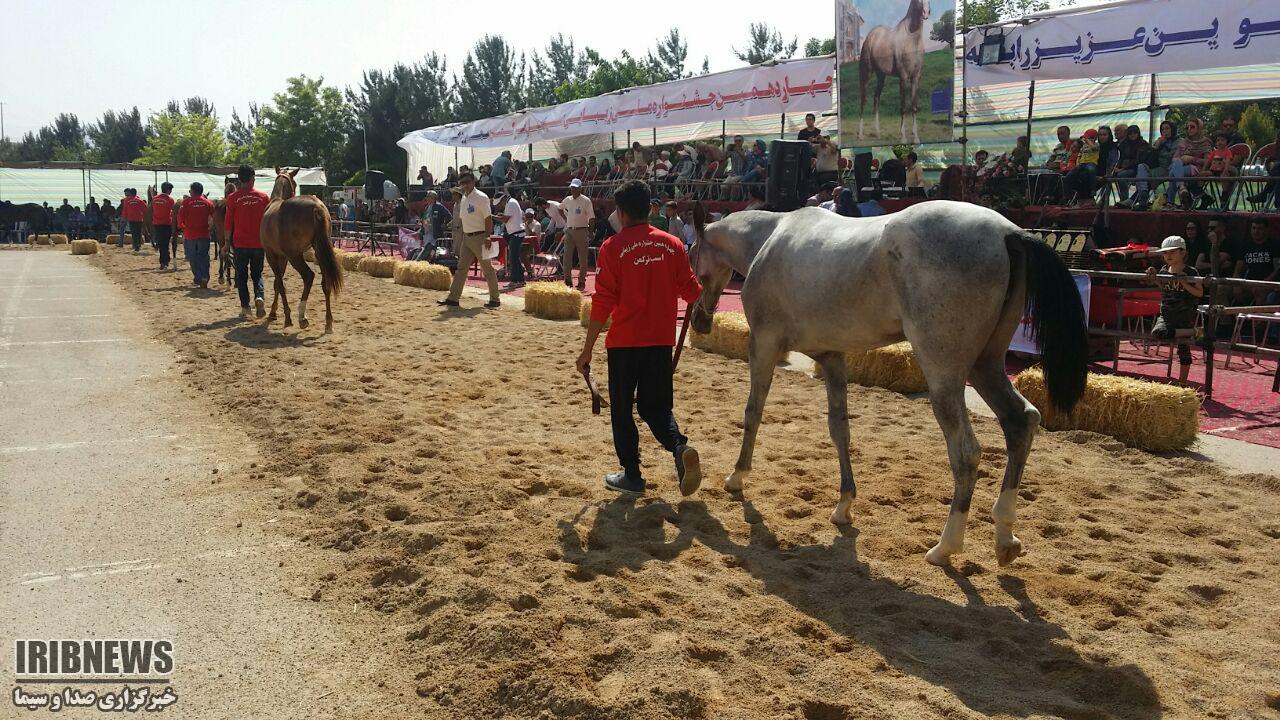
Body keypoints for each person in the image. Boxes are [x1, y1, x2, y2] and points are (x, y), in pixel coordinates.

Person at [576, 179, 703, 496]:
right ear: (650, 208)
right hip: (661, 340)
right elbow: (693, 293)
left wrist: (587, 349)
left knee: (622, 409)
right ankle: (678, 447)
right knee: (656, 407)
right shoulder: (672, 245)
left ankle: (632, 475)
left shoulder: (612, 247)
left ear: (620, 212)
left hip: (625, 342)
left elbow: (603, 301)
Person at [1145, 236, 1204, 382]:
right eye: (1165, 253)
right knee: (1158, 333)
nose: (1168, 256)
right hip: (1166, 313)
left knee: (1183, 349)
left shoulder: (1191, 271)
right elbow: (1164, 288)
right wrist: (1155, 279)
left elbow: (1200, 292)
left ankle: (1182, 382)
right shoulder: (1164, 270)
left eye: (1172, 252)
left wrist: (1184, 283)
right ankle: (1196, 331)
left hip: (1185, 314)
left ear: (1182, 253)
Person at [439, 172, 500, 309]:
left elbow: (488, 218)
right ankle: (453, 298)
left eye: (467, 181)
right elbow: (463, 219)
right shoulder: (464, 198)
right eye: (462, 182)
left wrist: (487, 236)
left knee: (487, 269)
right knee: (461, 268)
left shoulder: (481, 197)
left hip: (480, 237)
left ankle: (495, 299)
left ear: (473, 181)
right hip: (467, 237)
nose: (465, 185)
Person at [223, 165, 271, 320]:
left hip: (240, 244)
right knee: (257, 274)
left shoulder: (232, 198)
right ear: (252, 178)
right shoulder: (263, 197)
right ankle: (259, 297)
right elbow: (268, 222)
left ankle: (245, 307)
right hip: (259, 243)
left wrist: (226, 242)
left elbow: (228, 223)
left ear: (239, 179)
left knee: (241, 276)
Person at [1167, 116, 1211, 209]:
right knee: (1175, 167)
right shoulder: (1184, 142)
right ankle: (1182, 188)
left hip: (1197, 168)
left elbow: (1208, 161)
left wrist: (1192, 159)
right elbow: (1175, 158)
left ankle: (1170, 201)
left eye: (1192, 127)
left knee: (1173, 173)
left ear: (1199, 128)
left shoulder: (1205, 143)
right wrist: (1182, 157)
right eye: (1187, 128)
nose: (1189, 129)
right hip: (1182, 167)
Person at [1233, 216, 1280, 305]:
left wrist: (1263, 283)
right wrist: (1236, 283)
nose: (1256, 231)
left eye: (1260, 228)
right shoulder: (1245, 246)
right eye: (1253, 228)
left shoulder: (1275, 245)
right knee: (1222, 289)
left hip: (1268, 283)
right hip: (1248, 283)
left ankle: (1258, 318)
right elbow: (1237, 270)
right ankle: (1226, 318)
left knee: (1260, 293)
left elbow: (1277, 270)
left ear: (1266, 230)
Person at [178, 182, 216, 288]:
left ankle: (198, 278)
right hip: (204, 234)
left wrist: (182, 227)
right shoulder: (208, 203)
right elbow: (214, 217)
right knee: (203, 256)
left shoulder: (186, 202)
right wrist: (210, 228)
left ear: (192, 191)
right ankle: (205, 277)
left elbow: (180, 218)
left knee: (192, 257)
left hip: (190, 234)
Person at [559, 178, 594, 290]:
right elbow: (560, 208)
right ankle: (567, 279)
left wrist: (591, 231)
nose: (573, 190)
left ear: (580, 188)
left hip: (582, 230)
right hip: (569, 230)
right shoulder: (567, 199)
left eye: (575, 188)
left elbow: (592, 217)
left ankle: (581, 280)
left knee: (582, 257)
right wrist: (566, 218)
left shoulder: (586, 201)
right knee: (567, 256)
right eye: (572, 188)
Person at [1114, 125, 1153, 209]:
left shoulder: (1143, 144)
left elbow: (1139, 161)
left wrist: (1123, 168)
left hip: (1138, 168)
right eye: (1130, 132)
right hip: (1126, 167)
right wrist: (1117, 167)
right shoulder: (1125, 145)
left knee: (1121, 175)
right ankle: (1124, 200)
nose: (1132, 134)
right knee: (1115, 174)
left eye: (1135, 132)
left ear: (1138, 133)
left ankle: (1125, 200)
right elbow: (1121, 158)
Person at [495, 192, 525, 288]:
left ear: (503, 199)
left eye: (500, 203)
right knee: (514, 258)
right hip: (515, 233)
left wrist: (492, 216)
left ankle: (515, 280)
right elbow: (506, 217)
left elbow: (505, 219)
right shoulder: (511, 203)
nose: (500, 205)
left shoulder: (511, 203)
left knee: (513, 258)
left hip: (516, 233)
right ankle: (520, 280)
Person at [1064, 129, 1100, 205]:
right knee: (1070, 175)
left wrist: (1088, 140)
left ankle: (1093, 189)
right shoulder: (1083, 147)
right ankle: (1068, 195)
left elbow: (1094, 148)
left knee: (1091, 171)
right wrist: (1077, 164)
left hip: (1091, 163)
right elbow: (1079, 156)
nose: (1085, 140)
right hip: (1082, 163)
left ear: (1093, 138)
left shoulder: (1096, 145)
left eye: (1087, 138)